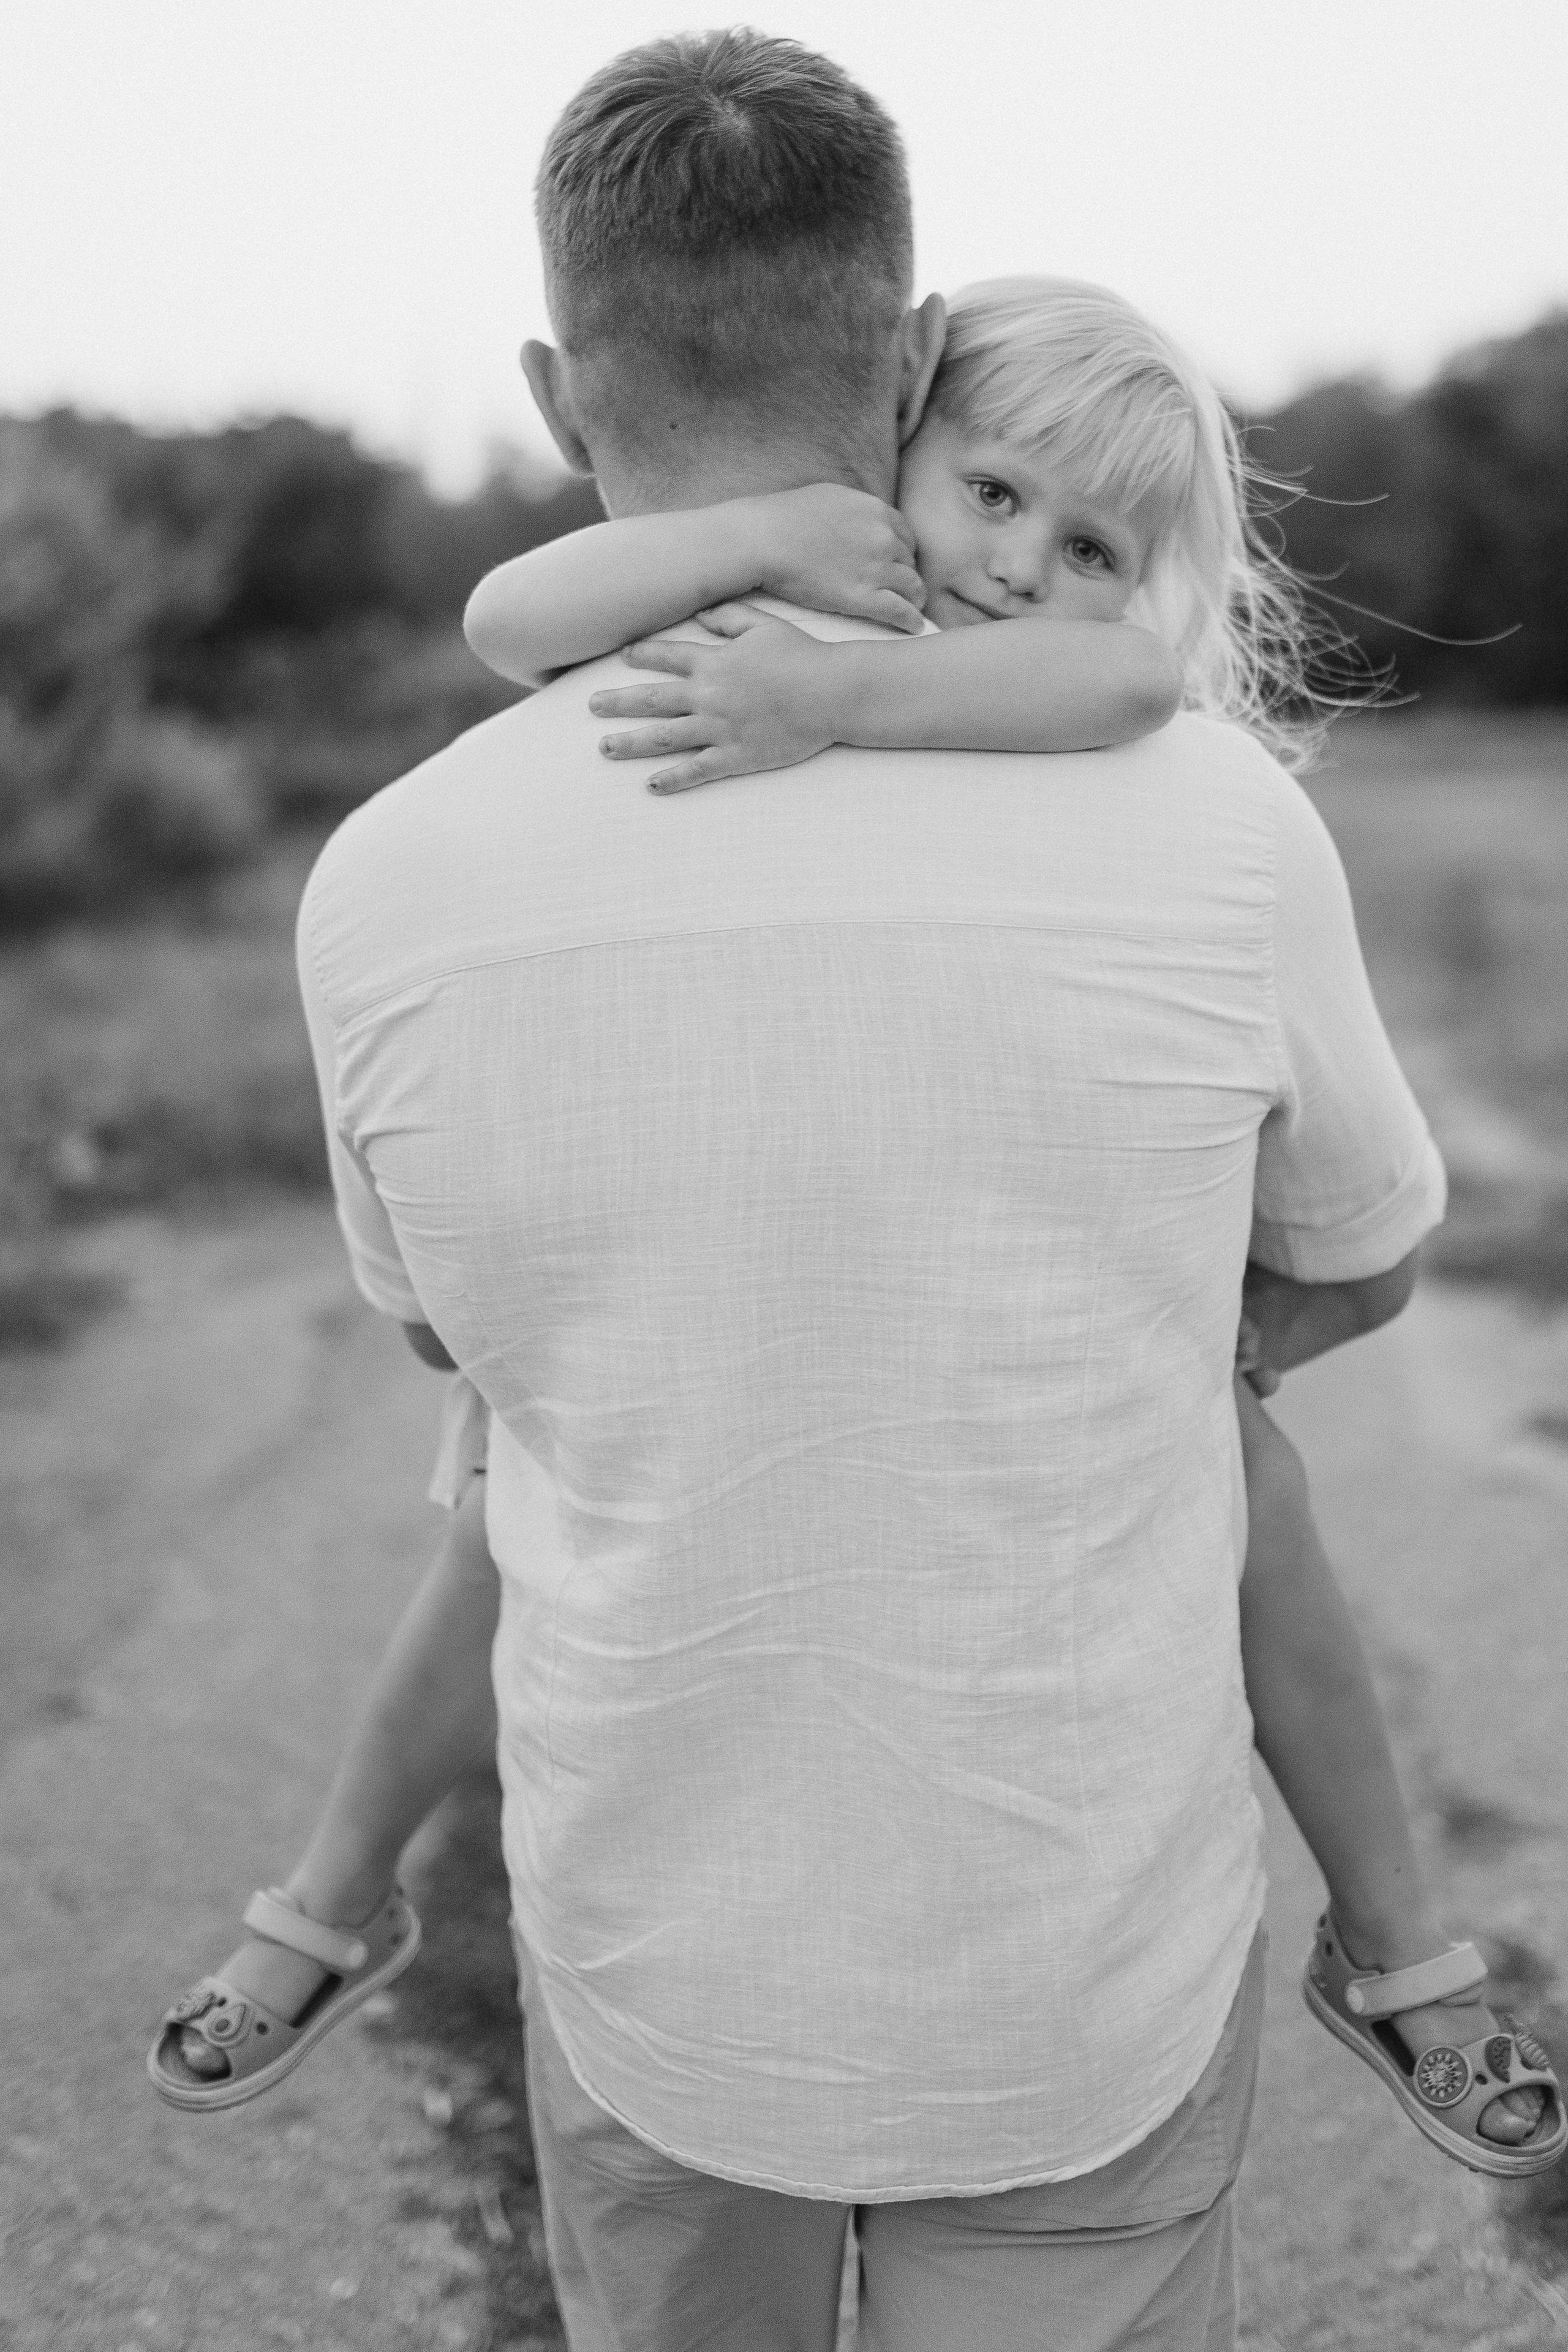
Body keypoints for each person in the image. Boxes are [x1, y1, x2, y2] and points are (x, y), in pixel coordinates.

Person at [146, 33, 1559, 2351]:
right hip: (1075, 1972)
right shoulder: (1217, 826)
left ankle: (325, 1906)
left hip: (665, 1969)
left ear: (545, 384)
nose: (1029, 559)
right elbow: (1373, 1252)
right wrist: (1188, 1350)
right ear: (905, 367)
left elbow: (448, 1347)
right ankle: (1395, 1954)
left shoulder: (382, 885)